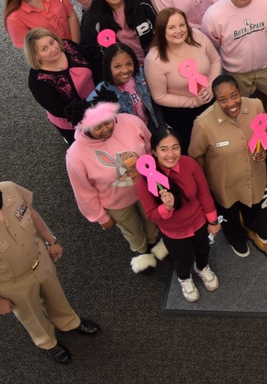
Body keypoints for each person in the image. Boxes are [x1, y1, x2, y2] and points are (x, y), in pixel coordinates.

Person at [0, 171, 100, 365]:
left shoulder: (10, 189)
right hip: (12, 284)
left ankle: (69, 322)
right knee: (32, 317)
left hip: (40, 260)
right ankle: (47, 342)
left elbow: (31, 213)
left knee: (57, 297)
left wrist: (51, 240)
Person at [64, 97, 165, 275]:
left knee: (152, 221)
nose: (106, 129)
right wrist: (100, 217)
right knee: (133, 232)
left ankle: (154, 243)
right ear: (83, 126)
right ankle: (143, 254)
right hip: (117, 203)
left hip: (145, 189)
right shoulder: (75, 156)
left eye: (108, 122)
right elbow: (84, 192)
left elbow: (150, 149)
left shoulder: (131, 122)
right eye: (98, 127)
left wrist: (156, 176)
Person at [190, 75, 267, 257]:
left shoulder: (256, 106)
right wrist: (205, 185)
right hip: (224, 184)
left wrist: (263, 149)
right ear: (216, 99)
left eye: (234, 96)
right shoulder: (203, 124)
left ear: (239, 92)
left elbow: (264, 128)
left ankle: (256, 223)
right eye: (223, 100)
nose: (231, 103)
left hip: (253, 174)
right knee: (229, 213)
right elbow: (196, 156)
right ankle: (235, 236)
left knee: (254, 203)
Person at [136, 127, 222, 303]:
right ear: (153, 152)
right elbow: (151, 215)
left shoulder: (190, 164)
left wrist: (212, 220)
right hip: (173, 232)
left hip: (198, 222)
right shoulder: (144, 181)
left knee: (203, 250)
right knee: (183, 260)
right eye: (164, 149)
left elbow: (204, 193)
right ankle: (184, 278)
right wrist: (166, 207)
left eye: (175, 147)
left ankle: (202, 268)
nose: (170, 154)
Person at [143, 8, 221, 154]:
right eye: (171, 27)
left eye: (182, 25)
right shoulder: (154, 60)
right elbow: (159, 97)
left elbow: (215, 60)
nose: (179, 31)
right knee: (194, 149)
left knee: (217, 141)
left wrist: (211, 87)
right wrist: (192, 102)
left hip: (209, 99)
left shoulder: (198, 37)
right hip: (180, 113)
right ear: (161, 31)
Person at [80, 0, 158, 73]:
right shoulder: (91, 18)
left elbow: (159, 29)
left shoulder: (141, 2)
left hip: (152, 63)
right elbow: (89, 51)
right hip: (120, 74)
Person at [25, 27, 96, 144]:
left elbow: (94, 64)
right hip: (72, 121)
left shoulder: (68, 46)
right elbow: (59, 110)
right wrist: (90, 110)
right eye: (44, 49)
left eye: (52, 42)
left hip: (96, 101)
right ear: (36, 56)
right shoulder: (37, 81)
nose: (53, 49)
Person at [89, 42, 162, 133]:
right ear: (108, 67)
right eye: (117, 66)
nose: (125, 70)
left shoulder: (142, 75)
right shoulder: (99, 94)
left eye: (129, 64)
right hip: (127, 137)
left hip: (150, 128)